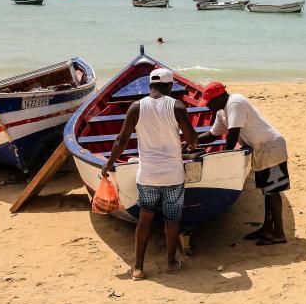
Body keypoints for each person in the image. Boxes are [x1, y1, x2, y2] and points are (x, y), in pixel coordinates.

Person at [102, 68, 198, 280]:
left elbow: (121, 140)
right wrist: (190, 143)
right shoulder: (177, 106)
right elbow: (192, 140)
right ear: (170, 86)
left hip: (147, 176)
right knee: (172, 219)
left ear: (150, 86)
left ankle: (138, 268)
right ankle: (172, 263)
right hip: (173, 176)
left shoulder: (136, 107)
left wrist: (109, 163)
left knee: (145, 218)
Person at [198, 82, 290, 245]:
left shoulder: (235, 103)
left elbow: (233, 134)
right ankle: (267, 228)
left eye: (210, 103)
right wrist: (193, 141)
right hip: (261, 150)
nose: (208, 107)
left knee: (273, 191)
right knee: (266, 192)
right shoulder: (222, 111)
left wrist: (224, 157)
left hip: (271, 147)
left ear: (220, 97)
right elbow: (213, 134)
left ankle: (279, 233)